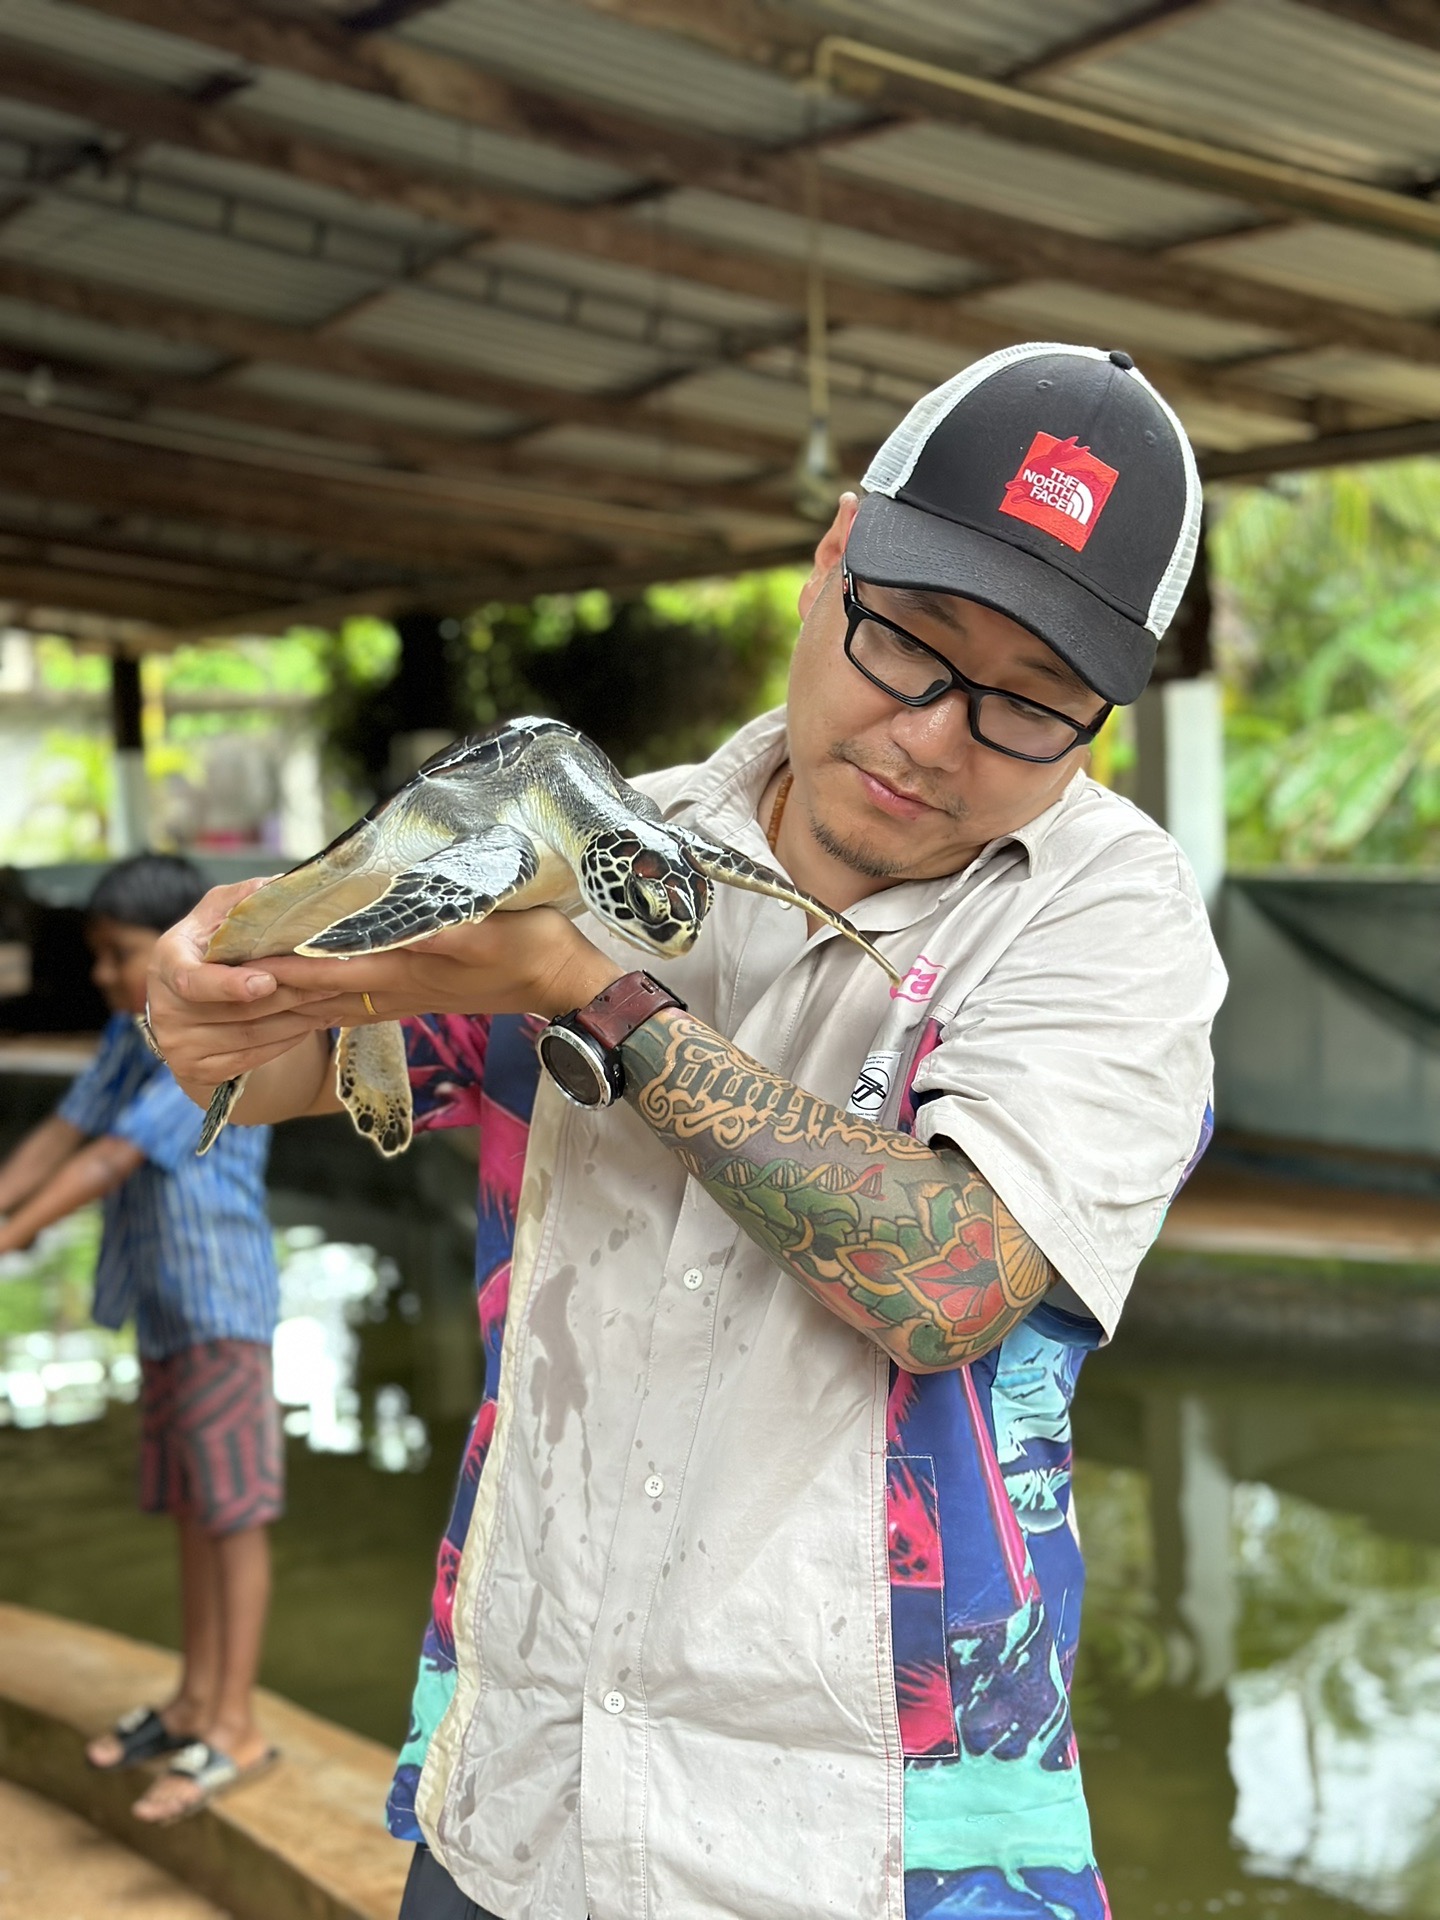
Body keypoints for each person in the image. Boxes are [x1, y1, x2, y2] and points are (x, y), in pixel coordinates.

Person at [148, 343, 1227, 1919]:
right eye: (908, 644)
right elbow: (299, 1062)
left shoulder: (1110, 922)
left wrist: (594, 995)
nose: (934, 734)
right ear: (831, 557)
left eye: (1030, 705)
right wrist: (215, 1005)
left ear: (1105, 717)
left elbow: (955, 1281)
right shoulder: (593, 839)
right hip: (516, 1794)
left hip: (863, 1851)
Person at [0, 854, 282, 1824]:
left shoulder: (215, 1043)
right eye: (104, 957)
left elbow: (114, 1156)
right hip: (166, 1314)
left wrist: (13, 1230)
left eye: (123, 955)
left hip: (221, 1309)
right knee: (194, 1513)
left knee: (232, 1516)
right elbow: (62, 1135)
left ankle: (235, 1724)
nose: (111, 976)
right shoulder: (132, 1037)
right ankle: (194, 1701)